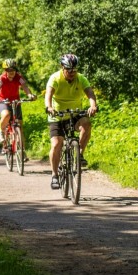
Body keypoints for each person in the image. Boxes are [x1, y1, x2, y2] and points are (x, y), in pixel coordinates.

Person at [44, 53, 98, 190]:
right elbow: (48, 95)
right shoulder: (55, 78)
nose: (72, 73)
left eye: (74, 70)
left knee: (86, 123)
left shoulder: (81, 79)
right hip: (57, 115)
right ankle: (55, 175)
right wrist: (49, 107)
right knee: (56, 144)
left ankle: (79, 154)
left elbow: (90, 93)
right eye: (69, 70)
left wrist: (93, 105)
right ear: (62, 67)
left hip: (75, 114)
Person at [0, 59, 36, 154]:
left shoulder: (18, 77)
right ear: (5, 70)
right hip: (3, 101)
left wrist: (30, 95)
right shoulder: (2, 78)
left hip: (15, 102)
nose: (12, 72)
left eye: (13, 70)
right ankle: (2, 131)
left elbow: (25, 87)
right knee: (6, 115)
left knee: (19, 126)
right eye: (9, 70)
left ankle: (22, 152)